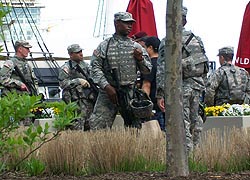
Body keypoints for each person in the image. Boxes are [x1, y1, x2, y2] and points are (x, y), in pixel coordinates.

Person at [156, 7, 209, 153]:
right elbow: (205, 66)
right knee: (196, 121)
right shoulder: (197, 40)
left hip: (180, 87)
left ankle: (186, 157)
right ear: (185, 20)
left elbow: (162, 69)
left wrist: (161, 94)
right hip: (197, 87)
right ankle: (196, 155)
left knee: (182, 123)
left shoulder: (168, 40)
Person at [89, 12, 152, 130]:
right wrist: (107, 86)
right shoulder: (104, 46)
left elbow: (147, 70)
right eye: (126, 23)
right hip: (108, 92)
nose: (130, 26)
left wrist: (140, 59)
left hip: (129, 93)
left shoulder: (136, 47)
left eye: (131, 23)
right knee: (98, 126)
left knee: (134, 128)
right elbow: (94, 68)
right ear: (117, 23)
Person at [58, 44, 96, 130]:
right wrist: (77, 81)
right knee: (77, 126)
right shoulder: (66, 68)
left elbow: (94, 76)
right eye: (77, 52)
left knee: (90, 125)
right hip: (75, 101)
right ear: (71, 54)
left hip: (88, 100)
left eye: (81, 51)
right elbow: (63, 84)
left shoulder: (85, 65)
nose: (81, 54)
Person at [140, 36, 165, 131]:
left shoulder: (149, 66)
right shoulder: (164, 64)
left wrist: (144, 104)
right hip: (166, 105)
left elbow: (146, 85)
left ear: (150, 48)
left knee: (155, 136)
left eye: (145, 48)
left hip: (154, 107)